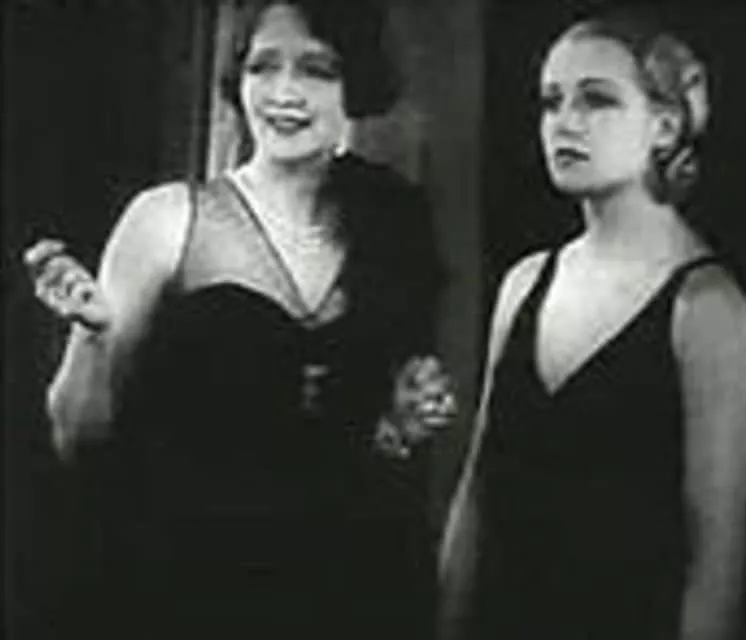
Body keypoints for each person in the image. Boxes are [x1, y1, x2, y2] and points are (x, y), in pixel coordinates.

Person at [24, 1, 455, 637]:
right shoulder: (167, 220)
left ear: (355, 82)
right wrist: (91, 335)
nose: (284, 92)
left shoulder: (395, 222)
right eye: (262, 67)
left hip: (347, 588)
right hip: (185, 588)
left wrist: (403, 419)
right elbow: (77, 436)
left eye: (315, 69)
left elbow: (376, 434)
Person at [440, 10, 746, 640]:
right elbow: (477, 495)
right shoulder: (525, 283)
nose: (565, 123)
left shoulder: (706, 308)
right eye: (551, 102)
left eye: (597, 100)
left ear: (664, 126)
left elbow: (715, 564)